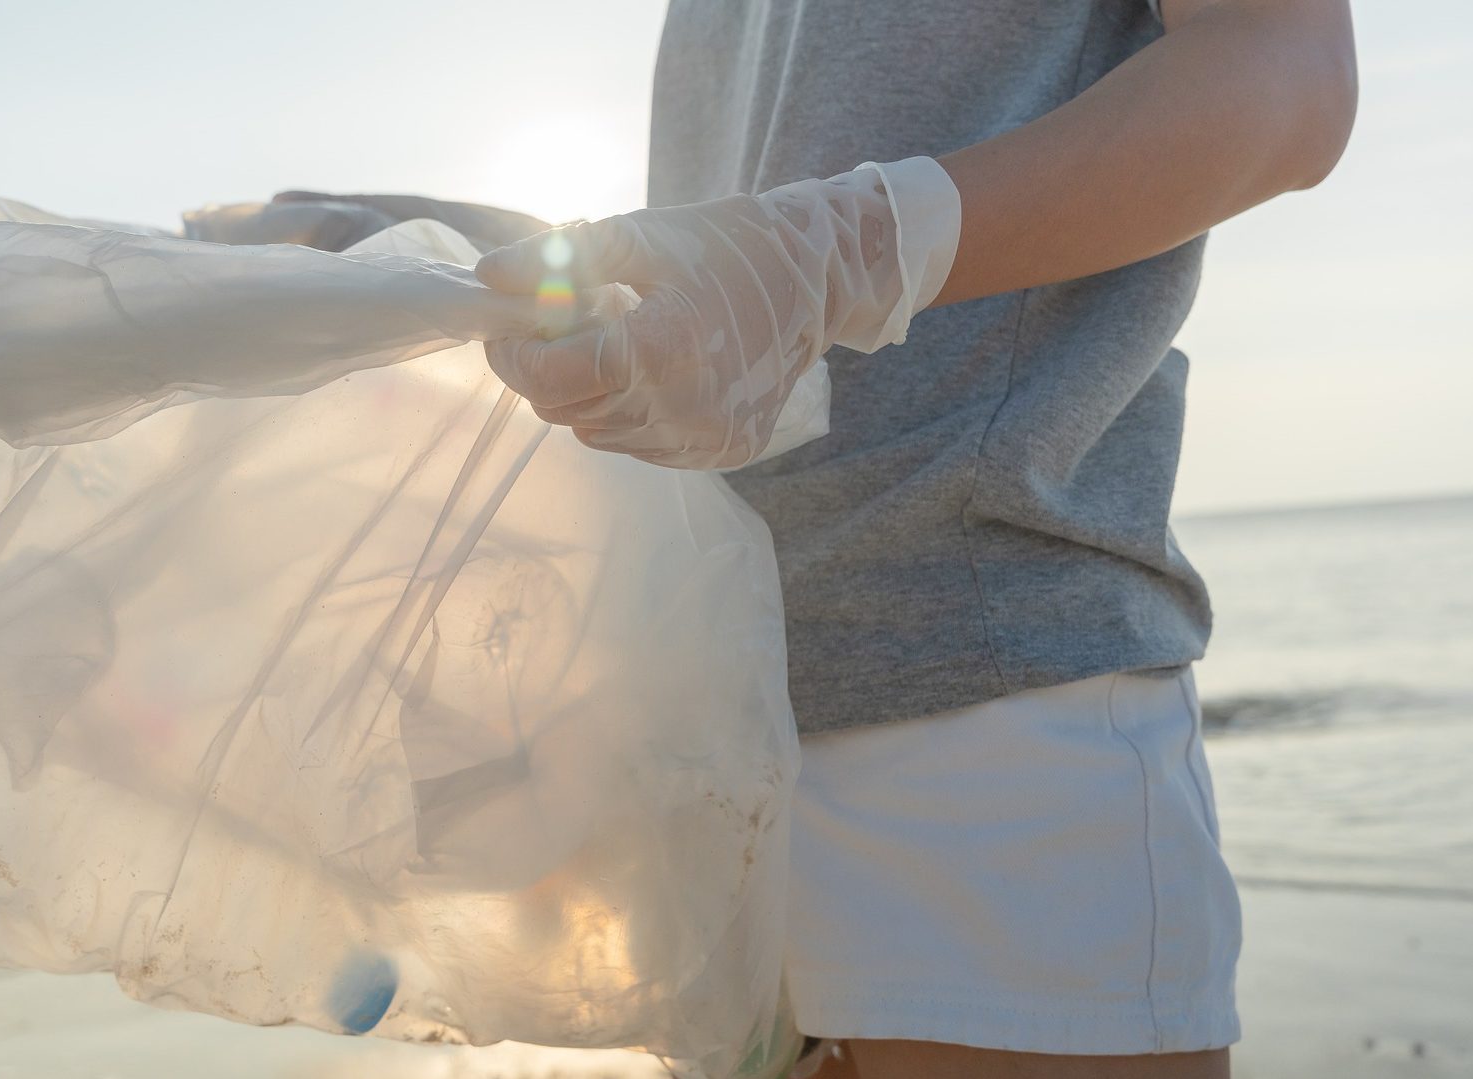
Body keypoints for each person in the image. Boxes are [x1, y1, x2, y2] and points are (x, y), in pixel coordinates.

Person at [241, 2, 1357, 1075]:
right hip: (726, 727)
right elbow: (751, 248)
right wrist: (462, 261)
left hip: (987, 702)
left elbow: (1289, 67)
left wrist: (851, 249)